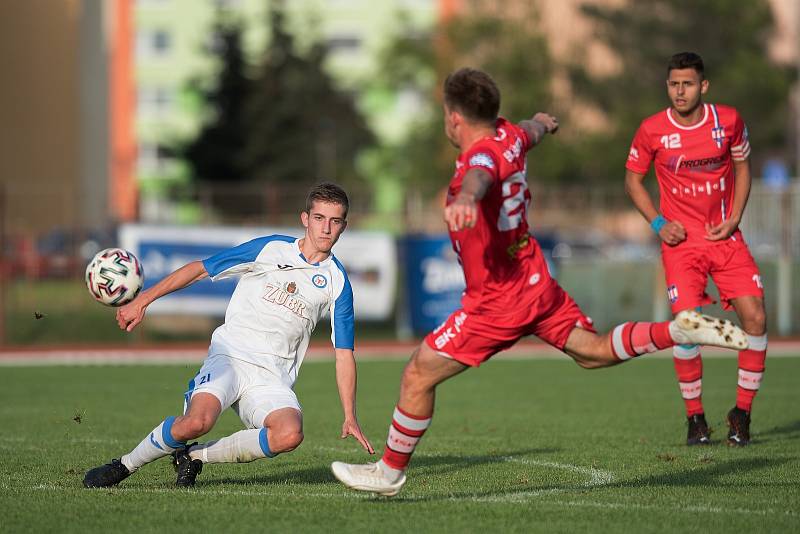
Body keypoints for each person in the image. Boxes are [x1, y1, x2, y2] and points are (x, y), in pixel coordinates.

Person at [330, 67, 748, 497]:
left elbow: (479, 176)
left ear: (454, 118)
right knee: (592, 352)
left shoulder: (481, 158)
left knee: (418, 373)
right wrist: (545, 123)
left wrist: (467, 199)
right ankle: (675, 330)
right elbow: (530, 130)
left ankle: (389, 472)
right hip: (535, 280)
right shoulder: (511, 134)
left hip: (497, 300)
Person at [84, 183, 374, 488]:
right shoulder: (271, 249)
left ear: (344, 225)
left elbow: (344, 354)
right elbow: (199, 269)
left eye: (335, 221)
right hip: (231, 356)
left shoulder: (337, 282)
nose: (326, 228)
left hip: (272, 376)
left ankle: (195, 457)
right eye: (319, 218)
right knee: (197, 422)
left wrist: (349, 414)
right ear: (305, 218)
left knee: (289, 434)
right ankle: (124, 466)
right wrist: (143, 301)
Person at [624, 52, 767, 447]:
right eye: (673, 84)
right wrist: (657, 224)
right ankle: (696, 419)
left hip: (725, 238)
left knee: (755, 318)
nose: (679, 91)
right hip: (682, 246)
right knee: (688, 326)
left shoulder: (729, 121)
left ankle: (741, 414)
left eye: (687, 84)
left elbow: (743, 167)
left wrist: (736, 217)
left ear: (703, 86)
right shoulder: (652, 129)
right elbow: (633, 181)